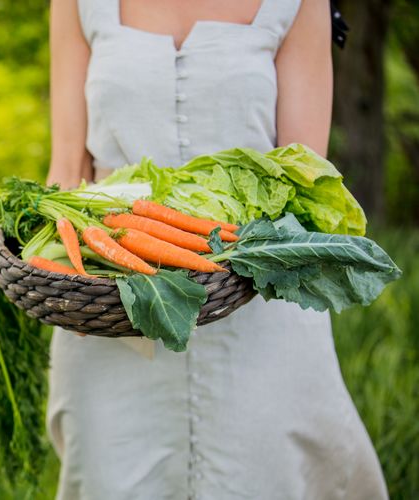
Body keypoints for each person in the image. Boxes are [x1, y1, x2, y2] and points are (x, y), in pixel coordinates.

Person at [44, 0, 389, 498]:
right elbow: (67, 166)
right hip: (114, 308)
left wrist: (242, 254)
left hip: (261, 302)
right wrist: (65, 281)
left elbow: (305, 180)